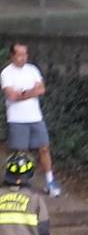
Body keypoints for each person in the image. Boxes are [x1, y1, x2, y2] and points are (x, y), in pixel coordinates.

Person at [1, 42, 62, 197]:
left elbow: (41, 89)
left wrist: (23, 93)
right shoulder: (6, 73)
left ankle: (50, 180)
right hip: (17, 119)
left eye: (25, 54)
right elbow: (11, 95)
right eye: (20, 54)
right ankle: (20, 182)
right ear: (13, 55)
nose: (23, 57)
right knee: (20, 153)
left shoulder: (32, 69)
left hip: (35, 117)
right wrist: (30, 92)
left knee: (44, 148)